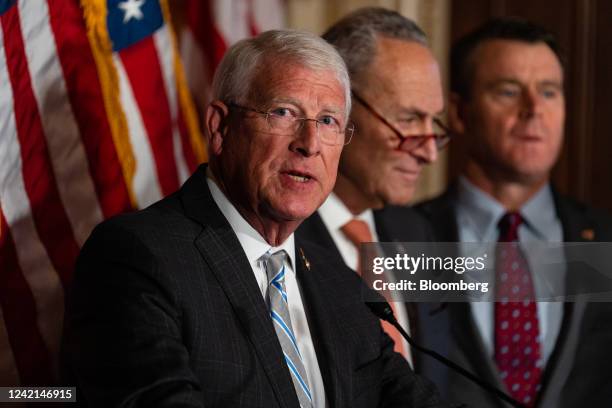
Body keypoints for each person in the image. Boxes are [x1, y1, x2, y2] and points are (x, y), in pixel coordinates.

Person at [62, 29, 449, 408]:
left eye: (328, 121)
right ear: (220, 127)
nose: (309, 144)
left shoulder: (340, 280)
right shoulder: (137, 256)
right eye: (283, 112)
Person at [416, 17, 612, 407]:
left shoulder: (604, 239)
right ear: (458, 111)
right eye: (508, 91)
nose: (533, 109)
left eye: (550, 92)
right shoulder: (405, 236)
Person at [297, 7, 448, 363]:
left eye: (433, 123)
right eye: (408, 120)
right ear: (337, 107)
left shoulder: (417, 232)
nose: (429, 153)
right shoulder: (277, 233)